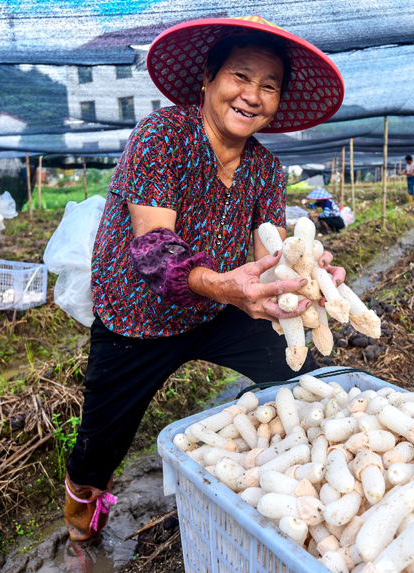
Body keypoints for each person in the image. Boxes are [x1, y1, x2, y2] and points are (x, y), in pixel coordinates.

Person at [62, 16, 346, 541]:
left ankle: (290, 475)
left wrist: (306, 275)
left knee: (297, 367)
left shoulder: (266, 170)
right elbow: (153, 250)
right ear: (208, 80)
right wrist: (224, 287)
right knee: (100, 441)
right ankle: (81, 526)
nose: (252, 96)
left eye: (269, 86)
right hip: (139, 314)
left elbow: (270, 252)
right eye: (240, 77)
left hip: (218, 310)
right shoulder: (161, 136)